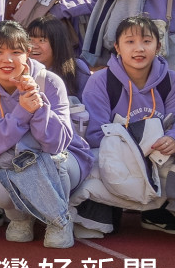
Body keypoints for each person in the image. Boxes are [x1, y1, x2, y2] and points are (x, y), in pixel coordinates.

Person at [0, 20, 92, 248]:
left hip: (58, 160)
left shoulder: (49, 82)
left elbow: (57, 143)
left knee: (54, 162)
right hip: (11, 162)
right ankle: (20, 218)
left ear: (27, 53)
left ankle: (59, 220)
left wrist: (39, 107)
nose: (7, 60)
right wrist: (22, 113)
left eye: (16, 52)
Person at [75, 15, 175, 236]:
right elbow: (94, 134)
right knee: (89, 230)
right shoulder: (100, 81)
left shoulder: (171, 80)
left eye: (146, 41)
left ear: (158, 47)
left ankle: (160, 211)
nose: (138, 48)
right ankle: (101, 210)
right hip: (116, 160)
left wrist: (172, 137)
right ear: (117, 47)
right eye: (130, 41)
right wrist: (137, 145)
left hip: (159, 158)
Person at [26, 15, 91, 99]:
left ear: (57, 43)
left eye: (41, 40)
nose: (34, 46)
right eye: (30, 40)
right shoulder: (20, 69)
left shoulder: (77, 68)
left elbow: (87, 104)